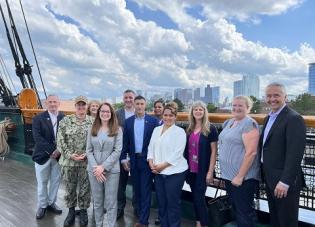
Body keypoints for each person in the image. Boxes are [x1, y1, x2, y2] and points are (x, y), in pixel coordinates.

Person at [260, 83, 306, 227]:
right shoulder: (269, 117)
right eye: (269, 95)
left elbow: (295, 154)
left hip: (284, 182)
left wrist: (285, 182)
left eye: (276, 95)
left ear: (285, 97)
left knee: (287, 221)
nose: (272, 99)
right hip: (270, 178)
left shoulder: (294, 118)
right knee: (275, 219)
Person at [218, 96, 260, 227]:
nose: (236, 108)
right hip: (229, 176)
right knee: (236, 209)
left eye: (240, 106)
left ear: (248, 108)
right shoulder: (228, 122)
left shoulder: (249, 124)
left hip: (243, 178)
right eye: (234, 105)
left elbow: (251, 152)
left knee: (244, 212)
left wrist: (240, 176)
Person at [147, 102, 188, 227]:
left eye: (171, 115)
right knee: (162, 202)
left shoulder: (180, 132)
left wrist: (161, 166)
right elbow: (151, 148)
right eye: (165, 115)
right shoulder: (156, 129)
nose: (168, 118)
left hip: (174, 173)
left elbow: (177, 153)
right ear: (162, 115)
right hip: (158, 172)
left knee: (172, 203)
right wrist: (150, 162)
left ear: (175, 117)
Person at [121, 95, 159, 227]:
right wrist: (123, 159)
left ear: (145, 105)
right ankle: (140, 214)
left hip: (147, 161)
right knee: (137, 190)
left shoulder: (153, 121)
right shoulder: (128, 122)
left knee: (146, 190)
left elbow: (157, 144)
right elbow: (125, 143)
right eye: (137, 104)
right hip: (133, 161)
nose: (139, 106)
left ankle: (143, 221)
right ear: (134, 105)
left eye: (142, 104)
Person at [57, 96, 94, 227]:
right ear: (75, 106)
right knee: (69, 188)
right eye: (79, 105)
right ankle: (71, 212)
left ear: (86, 106)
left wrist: (87, 154)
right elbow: (60, 141)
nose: (81, 107)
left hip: (86, 162)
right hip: (68, 162)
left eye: (83, 105)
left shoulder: (93, 121)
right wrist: (70, 155)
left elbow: (96, 141)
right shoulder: (66, 121)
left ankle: (83, 211)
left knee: (85, 189)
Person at [86, 102, 123, 227]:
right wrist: (96, 168)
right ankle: (99, 224)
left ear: (111, 113)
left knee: (111, 202)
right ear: (99, 113)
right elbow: (88, 150)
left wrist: (103, 167)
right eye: (102, 111)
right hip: (94, 170)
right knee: (97, 201)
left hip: (111, 171)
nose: (105, 113)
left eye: (107, 111)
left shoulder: (117, 129)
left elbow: (117, 150)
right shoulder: (92, 128)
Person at [185, 101, 218, 227]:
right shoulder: (189, 129)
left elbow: (214, 151)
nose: (198, 112)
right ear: (192, 113)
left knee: (199, 198)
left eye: (201, 109)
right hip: (191, 170)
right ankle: (199, 221)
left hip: (203, 170)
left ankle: (203, 224)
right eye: (195, 110)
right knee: (195, 197)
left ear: (204, 112)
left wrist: (210, 171)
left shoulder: (211, 128)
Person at [32, 94, 65, 219]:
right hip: (43, 156)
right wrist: (53, 151)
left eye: (55, 102)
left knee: (55, 181)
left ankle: (51, 203)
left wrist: (59, 151)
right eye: (50, 102)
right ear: (46, 103)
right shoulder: (38, 118)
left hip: (58, 157)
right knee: (42, 182)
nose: (52, 104)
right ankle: (42, 205)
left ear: (59, 103)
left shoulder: (63, 117)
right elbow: (37, 138)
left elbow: (66, 136)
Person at [116, 89, 136, 219]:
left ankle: (136, 207)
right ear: (123, 99)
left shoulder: (139, 112)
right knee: (120, 184)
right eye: (126, 98)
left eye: (130, 97)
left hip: (135, 153)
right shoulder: (117, 113)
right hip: (120, 152)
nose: (128, 100)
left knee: (136, 183)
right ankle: (120, 207)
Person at [152, 99, 164, 225]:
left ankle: (165, 215)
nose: (157, 109)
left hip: (166, 162)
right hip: (154, 161)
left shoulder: (170, 123)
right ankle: (160, 215)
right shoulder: (153, 122)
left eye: (159, 107)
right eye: (155, 107)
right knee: (159, 190)